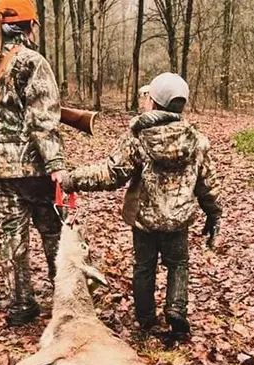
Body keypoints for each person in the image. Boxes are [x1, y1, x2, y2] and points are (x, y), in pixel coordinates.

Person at [56, 73, 222, 342]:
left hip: (144, 220)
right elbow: (207, 183)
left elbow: (110, 174)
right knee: (178, 264)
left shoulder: (138, 137)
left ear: (155, 103)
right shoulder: (197, 140)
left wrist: (73, 179)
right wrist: (214, 212)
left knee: (144, 267)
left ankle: (146, 319)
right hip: (178, 220)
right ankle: (176, 309)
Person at [0, 0, 66, 327]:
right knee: (54, 233)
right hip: (32, 166)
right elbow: (43, 121)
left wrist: (1, 129)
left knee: (11, 236)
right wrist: (57, 164)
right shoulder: (32, 61)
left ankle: (21, 305)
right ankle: (66, 298)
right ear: (30, 25)